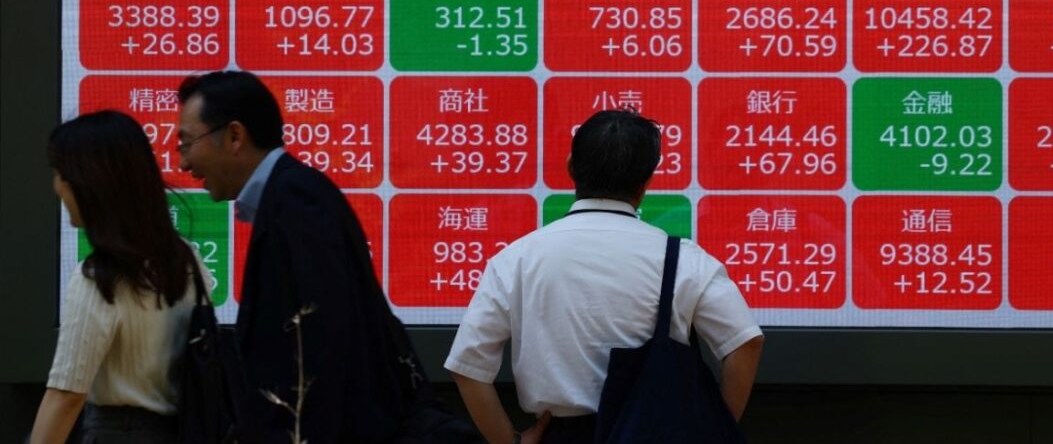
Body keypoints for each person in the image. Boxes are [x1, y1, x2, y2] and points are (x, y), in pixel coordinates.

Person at [445, 109, 765, 444]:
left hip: (561, 435)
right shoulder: (683, 258)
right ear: (647, 181)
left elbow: (468, 366)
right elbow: (746, 341)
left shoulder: (517, 258)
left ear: (571, 167)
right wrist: (715, 430)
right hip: (659, 431)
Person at [175, 70, 423, 442]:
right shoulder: (292, 194)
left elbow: (324, 347)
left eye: (186, 143)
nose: (183, 164)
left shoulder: (296, 202)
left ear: (235, 136)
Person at [30, 110, 208, 444]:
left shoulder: (100, 279)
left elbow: (66, 397)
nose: (57, 187)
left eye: (61, 174)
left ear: (90, 183)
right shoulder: (188, 260)